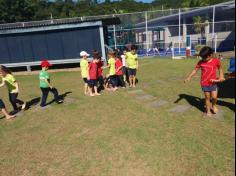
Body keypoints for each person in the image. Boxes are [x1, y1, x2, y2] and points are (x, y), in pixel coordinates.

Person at [184, 46, 225, 117]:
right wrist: (189, 77)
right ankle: (208, 111)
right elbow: (195, 70)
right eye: (202, 58)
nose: (203, 59)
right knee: (207, 97)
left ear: (210, 55)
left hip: (213, 83)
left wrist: (221, 76)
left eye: (204, 57)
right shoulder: (201, 62)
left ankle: (214, 105)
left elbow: (220, 68)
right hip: (204, 83)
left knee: (214, 97)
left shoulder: (216, 61)